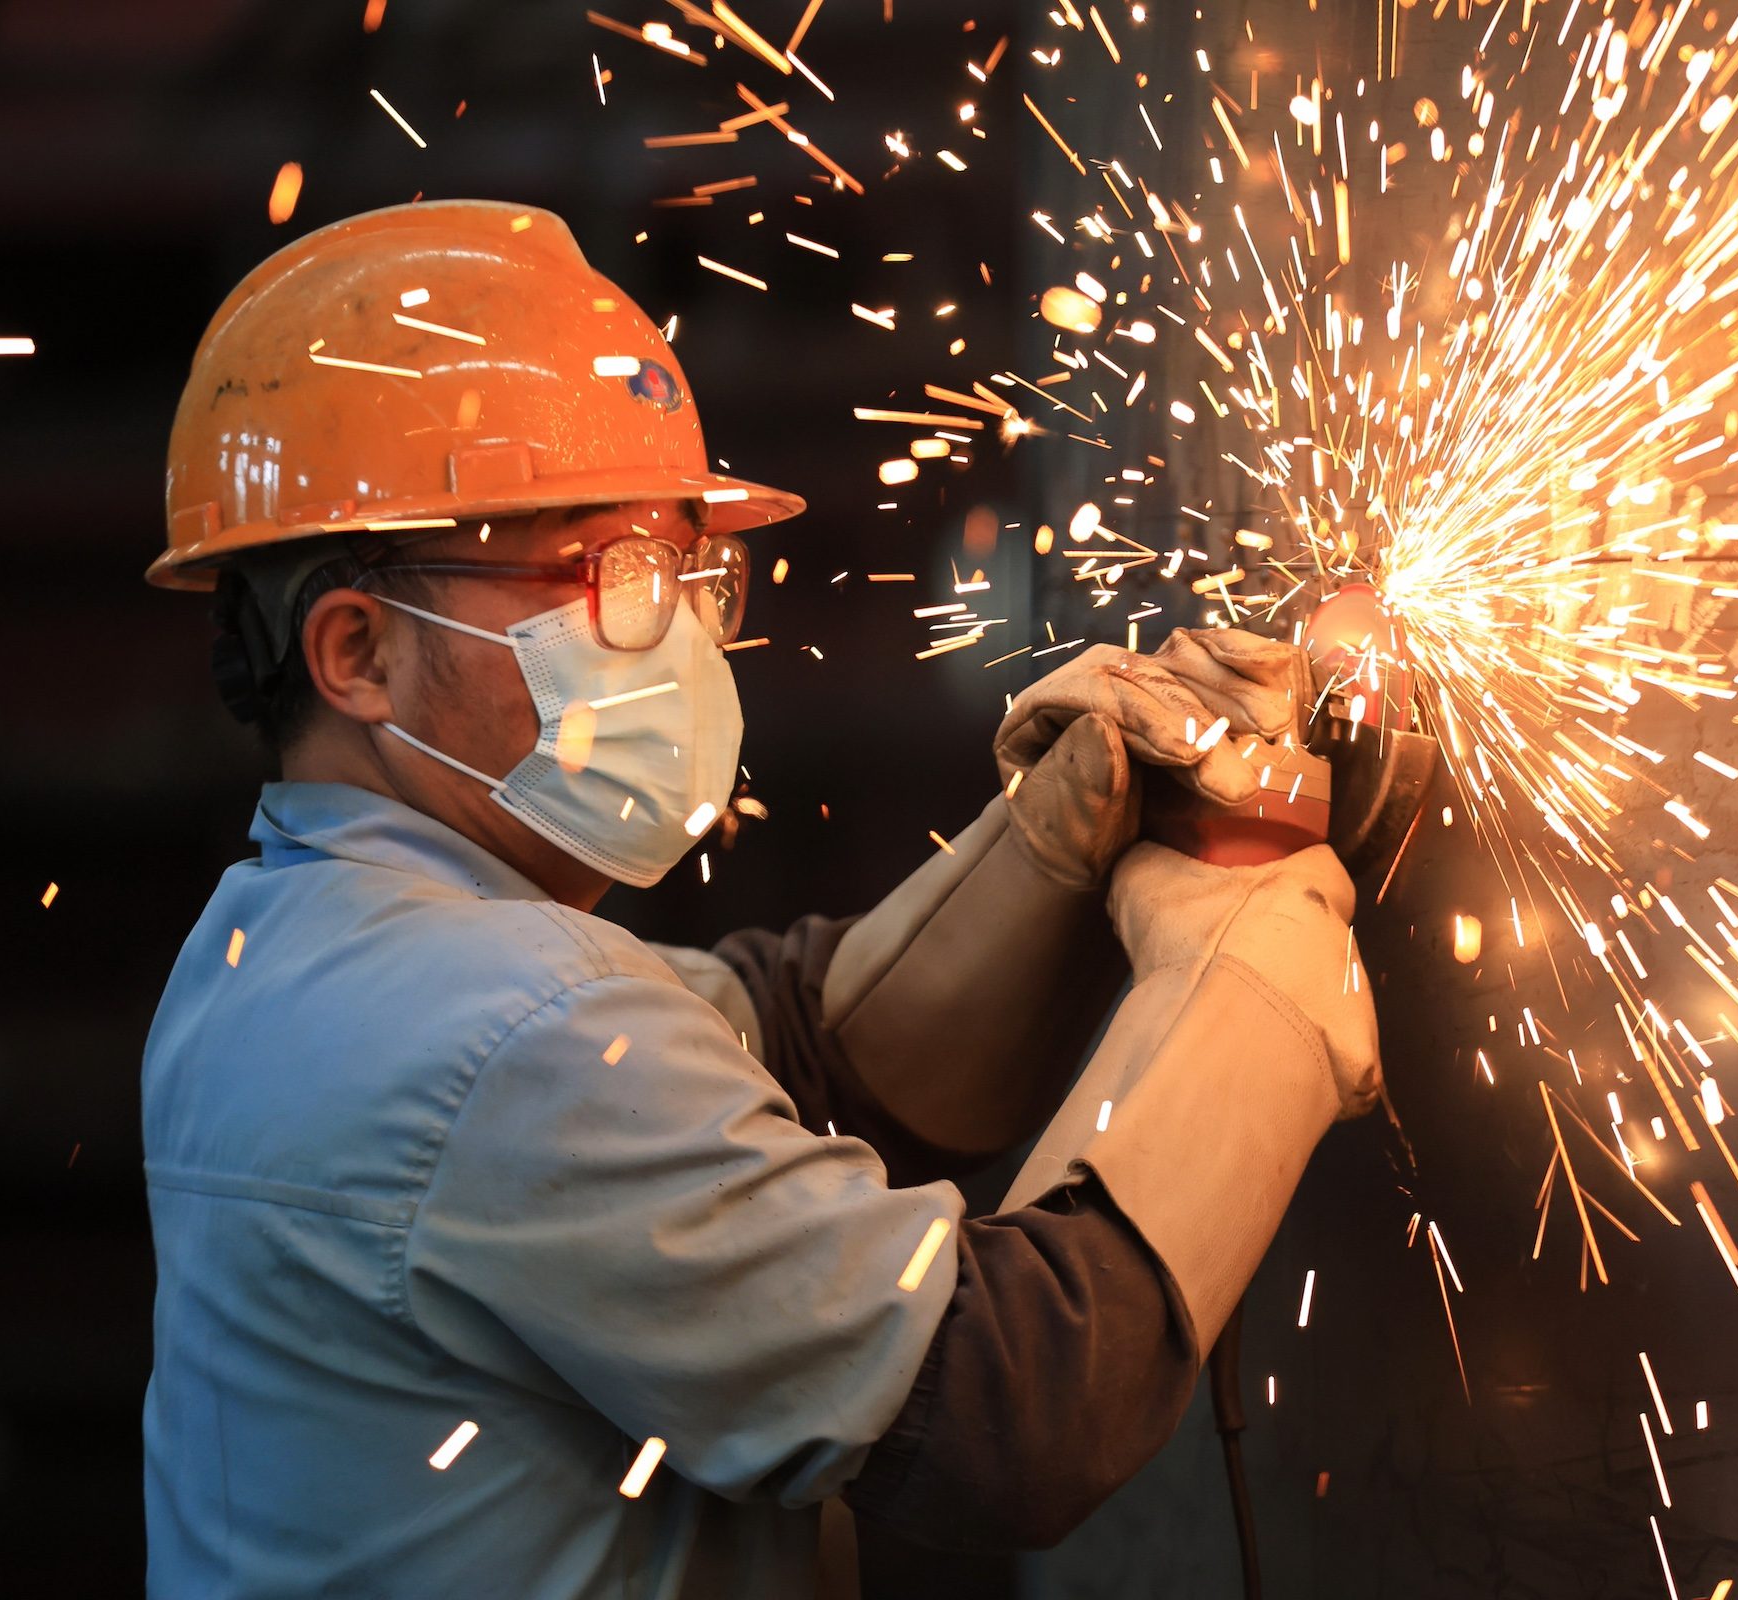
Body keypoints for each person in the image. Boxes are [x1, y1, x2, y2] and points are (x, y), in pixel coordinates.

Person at [140, 199, 1380, 1597]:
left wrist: (1048, 855)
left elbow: (782, 1063)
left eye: (684, 569)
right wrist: (1252, 997)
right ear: (357, 651)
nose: (666, 633)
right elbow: (1012, 1407)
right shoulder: (499, 1031)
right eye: (603, 575)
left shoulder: (280, 948)